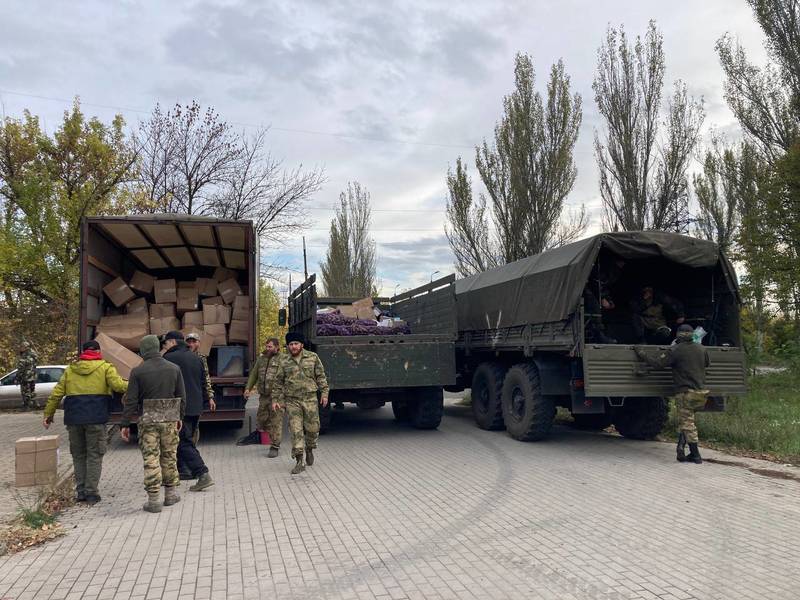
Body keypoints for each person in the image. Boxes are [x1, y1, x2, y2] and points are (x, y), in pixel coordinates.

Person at [42, 340, 128, 504]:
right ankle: (91, 493)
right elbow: (119, 386)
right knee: (94, 455)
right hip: (96, 419)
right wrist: (136, 383)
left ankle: (80, 492)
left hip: (74, 420)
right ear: (98, 352)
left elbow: (56, 394)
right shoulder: (105, 368)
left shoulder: (70, 371)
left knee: (79, 455)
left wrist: (48, 415)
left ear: (82, 352)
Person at [120, 335, 185, 512]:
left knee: (151, 458)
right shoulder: (174, 368)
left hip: (147, 420)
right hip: (170, 418)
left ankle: (154, 500)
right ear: (157, 348)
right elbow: (181, 396)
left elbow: (131, 400)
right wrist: (180, 417)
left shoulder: (137, 371)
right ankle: (170, 495)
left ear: (143, 350)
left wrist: (124, 424)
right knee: (170, 456)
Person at [634, 324, 710, 464]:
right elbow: (707, 363)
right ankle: (680, 449)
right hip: (700, 392)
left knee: (687, 424)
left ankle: (695, 455)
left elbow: (658, 364)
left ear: (678, 335)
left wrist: (641, 353)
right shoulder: (701, 348)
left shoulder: (676, 350)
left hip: (685, 392)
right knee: (687, 421)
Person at [162, 331, 214, 491]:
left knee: (182, 442)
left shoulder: (168, 359)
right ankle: (184, 470)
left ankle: (202, 473)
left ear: (172, 342)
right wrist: (207, 399)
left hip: (178, 407)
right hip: (195, 407)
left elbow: (167, 386)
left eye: (165, 343)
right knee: (187, 439)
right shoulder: (197, 359)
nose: (164, 346)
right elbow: (203, 381)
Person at [272, 332, 329, 474]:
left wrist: (324, 393)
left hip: (310, 399)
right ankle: (299, 460)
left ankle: (310, 448)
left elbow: (321, 376)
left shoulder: (312, 357)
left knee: (313, 429)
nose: (293, 347)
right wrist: (275, 399)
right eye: (291, 344)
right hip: (292, 400)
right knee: (295, 430)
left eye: (296, 344)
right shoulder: (284, 361)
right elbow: (278, 382)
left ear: (301, 345)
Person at [242, 338, 284, 457]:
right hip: (264, 396)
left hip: (277, 396)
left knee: (276, 421)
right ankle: (267, 438)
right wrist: (248, 388)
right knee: (262, 420)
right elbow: (254, 374)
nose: (268, 349)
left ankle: (275, 446)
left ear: (277, 347)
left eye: (270, 347)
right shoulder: (261, 359)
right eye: (267, 346)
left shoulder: (283, 359)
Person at [582, 256, 625, 344]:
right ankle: (599, 336)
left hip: (596, 292)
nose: (623, 264)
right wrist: (602, 298)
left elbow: (604, 286)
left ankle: (603, 335)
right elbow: (596, 283)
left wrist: (608, 299)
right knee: (595, 310)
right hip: (588, 292)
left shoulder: (615, 271)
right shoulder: (604, 268)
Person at [185, 332, 216, 450]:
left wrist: (210, 397)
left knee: (194, 425)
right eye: (189, 341)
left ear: (199, 343)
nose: (191, 344)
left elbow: (206, 378)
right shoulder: (182, 356)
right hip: (184, 394)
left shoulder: (201, 359)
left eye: (194, 341)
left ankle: (192, 447)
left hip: (196, 395)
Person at [17, 341, 39, 410]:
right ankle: (35, 404)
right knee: (32, 391)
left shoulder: (24, 356)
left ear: (25, 348)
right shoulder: (33, 355)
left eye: (22, 347)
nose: (20, 348)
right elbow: (37, 359)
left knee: (25, 392)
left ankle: (27, 406)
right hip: (33, 376)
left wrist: (18, 377)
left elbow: (21, 369)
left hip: (26, 377)